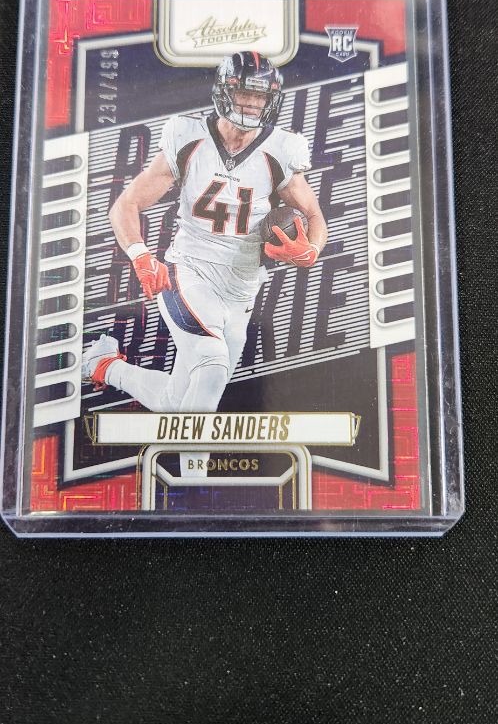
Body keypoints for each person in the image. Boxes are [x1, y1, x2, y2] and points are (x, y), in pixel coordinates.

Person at [82, 51, 327, 475]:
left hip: (242, 288)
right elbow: (126, 204)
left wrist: (312, 250)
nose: (252, 104)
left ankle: (105, 366)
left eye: (260, 96)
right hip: (189, 271)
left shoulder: (281, 149)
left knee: (181, 401)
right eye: (244, 93)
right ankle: (191, 484)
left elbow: (314, 216)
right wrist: (141, 256)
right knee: (211, 366)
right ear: (224, 91)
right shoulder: (188, 136)